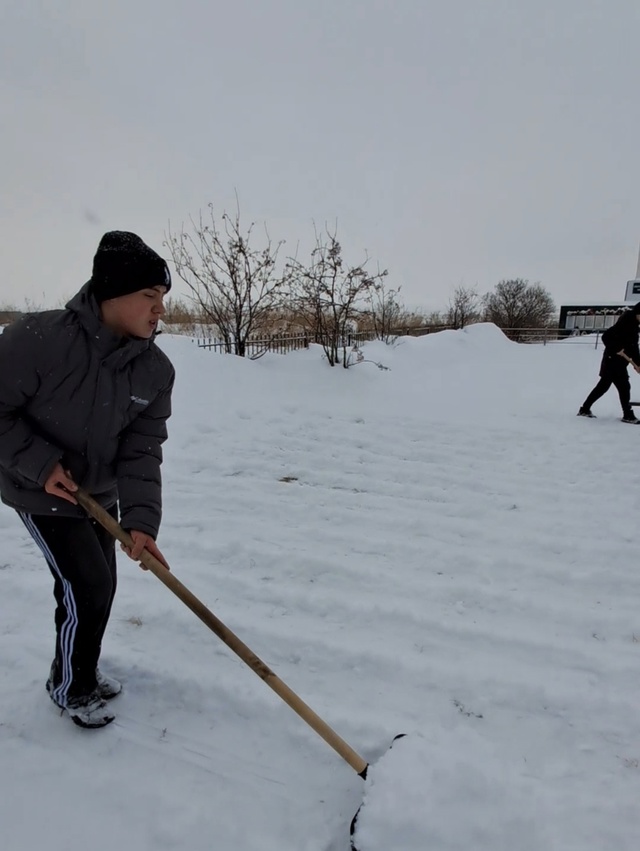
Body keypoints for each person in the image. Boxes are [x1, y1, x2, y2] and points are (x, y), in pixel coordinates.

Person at [0, 231, 175, 728]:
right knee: (86, 586)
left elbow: (142, 451)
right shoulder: (38, 341)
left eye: (162, 297)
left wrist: (142, 523)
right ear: (112, 294)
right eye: (149, 296)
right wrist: (40, 464)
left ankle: (80, 667)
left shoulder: (154, 370)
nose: (159, 308)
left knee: (100, 586)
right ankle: (69, 687)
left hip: (99, 494)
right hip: (38, 489)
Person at [578, 304, 640, 423]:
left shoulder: (635, 326)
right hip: (612, 359)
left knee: (603, 386)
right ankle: (627, 414)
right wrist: (617, 348)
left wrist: (638, 363)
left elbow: (633, 346)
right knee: (624, 386)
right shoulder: (624, 323)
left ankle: (584, 409)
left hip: (619, 361)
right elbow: (606, 337)